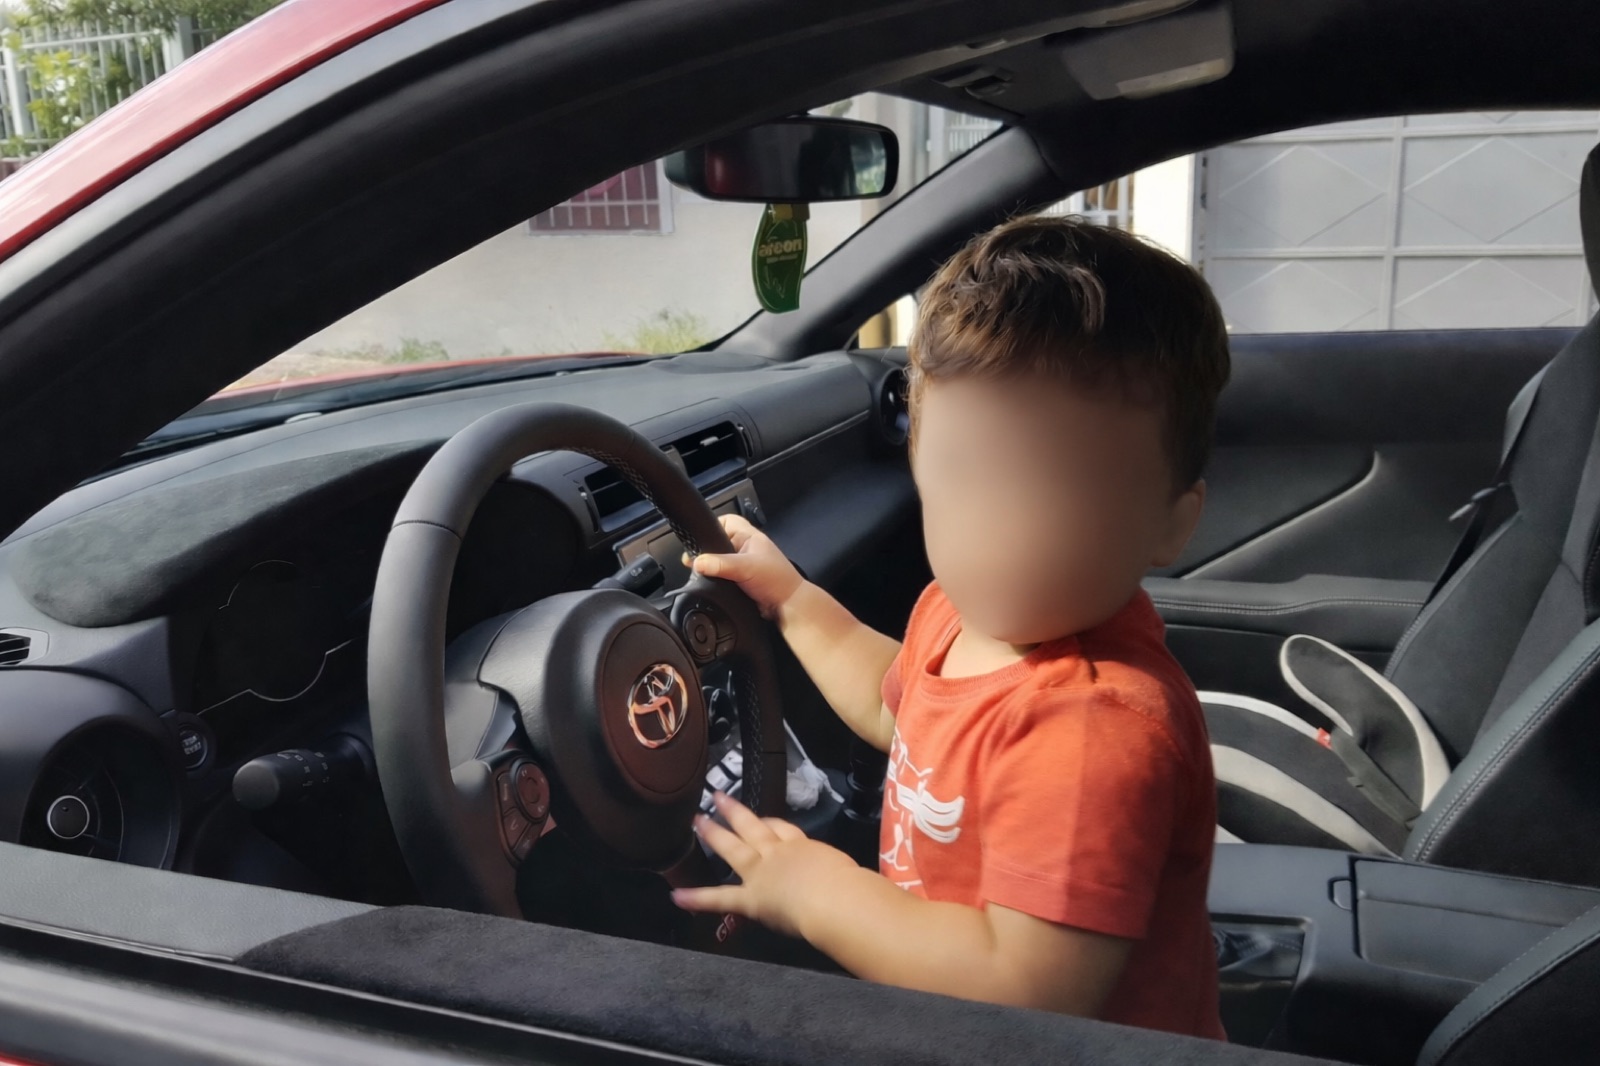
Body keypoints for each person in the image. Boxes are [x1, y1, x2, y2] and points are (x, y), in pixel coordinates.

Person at [672, 214, 1230, 1040]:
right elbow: (901, 704)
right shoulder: (959, 610)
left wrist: (817, 892)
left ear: (1170, 525)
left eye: (1062, 488)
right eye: (965, 476)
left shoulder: (1093, 728)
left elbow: (1027, 985)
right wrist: (789, 596)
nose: (1000, 529)